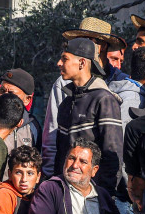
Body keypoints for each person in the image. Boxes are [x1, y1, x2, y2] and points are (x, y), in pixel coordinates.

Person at [42, 18, 135, 162]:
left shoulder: (123, 85)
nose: (80, 44)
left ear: (102, 46)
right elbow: (53, 134)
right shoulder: (64, 83)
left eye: (86, 40)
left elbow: (114, 145)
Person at [48, 38, 125, 198]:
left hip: (94, 194)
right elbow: (61, 154)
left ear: (82, 63)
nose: (58, 63)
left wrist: (105, 197)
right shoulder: (65, 104)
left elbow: (113, 153)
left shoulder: (103, 99)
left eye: (64, 59)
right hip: (67, 195)